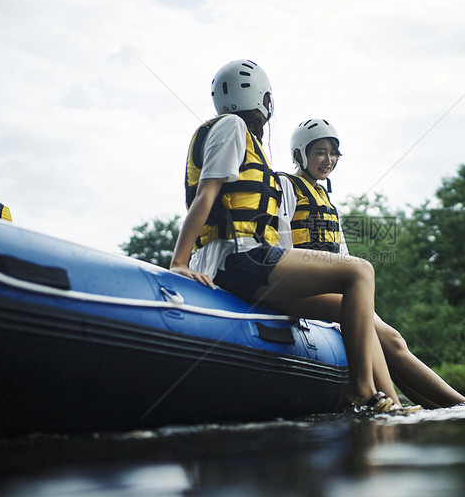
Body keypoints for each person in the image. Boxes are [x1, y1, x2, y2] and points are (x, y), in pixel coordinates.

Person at [168, 59, 412, 415]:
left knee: (354, 306)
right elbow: (206, 194)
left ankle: (390, 402)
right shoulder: (233, 128)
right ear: (263, 99)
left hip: (249, 264)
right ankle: (361, 391)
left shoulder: (238, 134)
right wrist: (178, 261)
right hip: (240, 261)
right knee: (360, 271)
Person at [277, 118, 465, 407]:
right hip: (304, 286)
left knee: (393, 339)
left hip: (335, 290)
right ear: (299, 154)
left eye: (333, 153)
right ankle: (456, 404)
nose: (327, 160)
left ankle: (463, 405)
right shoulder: (285, 186)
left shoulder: (326, 199)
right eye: (319, 152)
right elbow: (281, 246)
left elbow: (342, 255)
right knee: (379, 336)